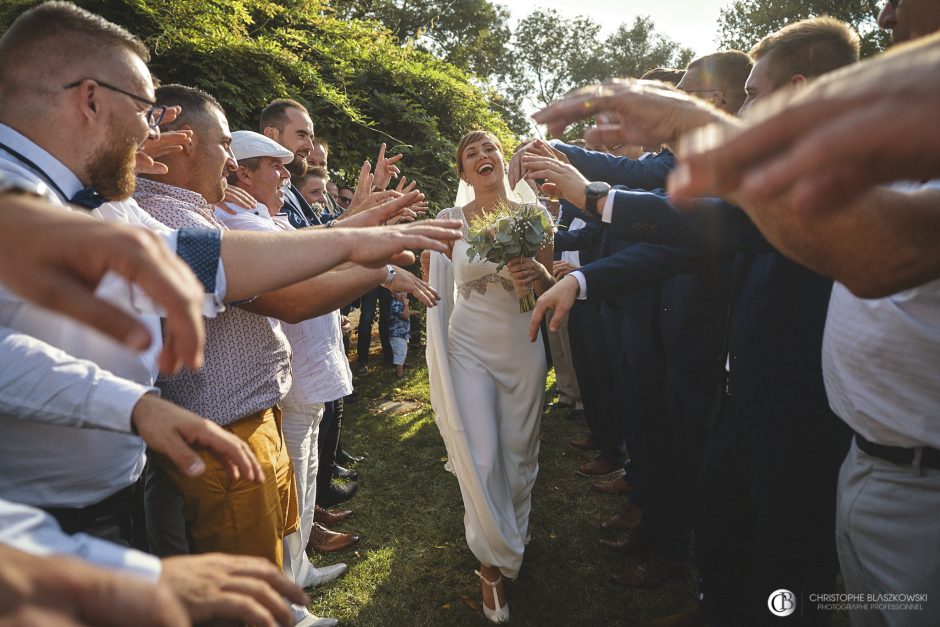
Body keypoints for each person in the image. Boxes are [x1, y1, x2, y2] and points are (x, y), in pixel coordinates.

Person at [424, 130, 553, 623]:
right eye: (471, 154)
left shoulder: (534, 216)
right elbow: (433, 283)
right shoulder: (449, 221)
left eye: (490, 149)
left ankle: (512, 525)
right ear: (462, 173)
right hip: (469, 348)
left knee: (518, 451)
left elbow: (553, 286)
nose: (483, 157)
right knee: (481, 453)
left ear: (503, 161)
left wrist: (539, 277)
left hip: (522, 345)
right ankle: (490, 565)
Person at [389, 290, 411, 377]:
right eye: (398, 292)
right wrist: (406, 305)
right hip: (397, 335)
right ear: (392, 294)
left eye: (404, 291)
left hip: (401, 335)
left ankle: (400, 369)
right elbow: (405, 316)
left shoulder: (399, 303)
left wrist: (412, 312)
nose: (402, 294)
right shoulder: (395, 304)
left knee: (402, 352)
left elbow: (405, 313)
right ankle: (399, 375)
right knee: (400, 353)